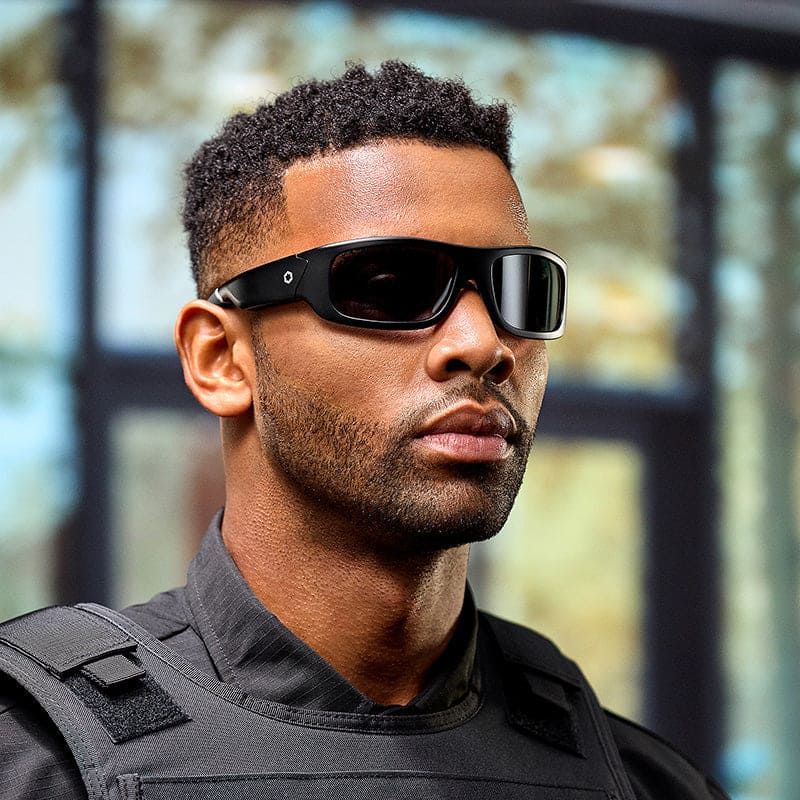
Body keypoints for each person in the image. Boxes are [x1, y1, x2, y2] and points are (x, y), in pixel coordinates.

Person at [0, 61, 728, 800]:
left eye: (518, 290)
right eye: (388, 287)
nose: (482, 343)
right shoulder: (31, 762)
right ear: (222, 359)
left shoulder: (644, 781)